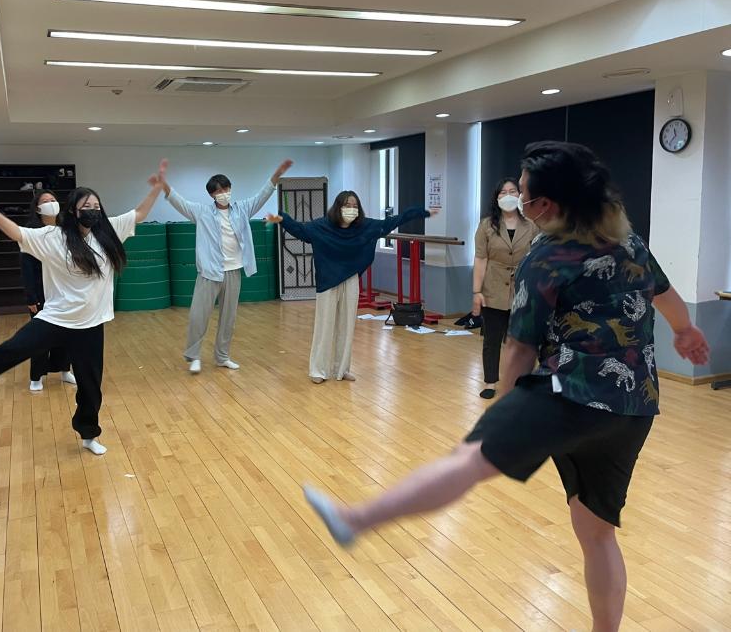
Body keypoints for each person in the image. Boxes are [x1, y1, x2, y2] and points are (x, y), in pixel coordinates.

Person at [303, 142, 709, 631]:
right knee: (597, 532)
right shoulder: (629, 241)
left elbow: (518, 346)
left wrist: (498, 411)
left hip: (573, 392)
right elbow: (667, 297)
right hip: (635, 405)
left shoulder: (547, 254)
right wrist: (686, 332)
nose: (520, 200)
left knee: (467, 461)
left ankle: (355, 521)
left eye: (527, 194)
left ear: (547, 205)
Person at [0, 163, 166, 455]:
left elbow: (139, 213)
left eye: (96, 206)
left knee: (90, 387)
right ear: (73, 211)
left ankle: (89, 435)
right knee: (11, 350)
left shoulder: (108, 232)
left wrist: (157, 188)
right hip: (56, 319)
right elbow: (18, 233)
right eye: (86, 206)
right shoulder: (53, 237)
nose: (93, 211)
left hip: (91, 326)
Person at [267, 192, 434, 384]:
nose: (351, 209)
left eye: (355, 206)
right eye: (347, 205)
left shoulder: (364, 227)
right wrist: (282, 218)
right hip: (328, 280)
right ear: (338, 207)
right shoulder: (322, 226)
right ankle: (318, 370)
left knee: (347, 326)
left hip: (350, 279)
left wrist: (420, 212)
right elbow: (301, 230)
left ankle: (342, 369)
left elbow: (391, 222)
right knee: (324, 326)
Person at [160, 159, 292, 373]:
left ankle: (222, 357)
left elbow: (262, 195)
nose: (223, 193)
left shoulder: (242, 209)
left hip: (233, 270)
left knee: (228, 318)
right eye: (218, 191)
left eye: (225, 189)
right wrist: (164, 185)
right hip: (209, 273)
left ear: (230, 189)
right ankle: (194, 356)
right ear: (212, 195)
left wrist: (276, 175)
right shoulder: (202, 212)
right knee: (198, 316)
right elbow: (179, 202)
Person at [472, 177, 539, 399]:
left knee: (521, 341)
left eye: (512, 191)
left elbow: (537, 258)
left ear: (519, 196)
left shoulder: (531, 225)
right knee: (492, 340)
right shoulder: (486, 225)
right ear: (496, 197)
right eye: (503, 192)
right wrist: (477, 291)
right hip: (493, 288)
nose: (508, 196)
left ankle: (519, 382)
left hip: (523, 289)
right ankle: (490, 382)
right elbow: (480, 259)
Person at [21, 189, 75, 392]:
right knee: (40, 335)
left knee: (66, 333)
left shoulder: (66, 228)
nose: (51, 203)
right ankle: (37, 376)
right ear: (37, 208)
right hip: (41, 291)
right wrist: (31, 297)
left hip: (64, 290)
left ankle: (65, 370)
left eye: (53, 199)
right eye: (45, 201)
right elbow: (26, 267)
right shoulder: (31, 232)